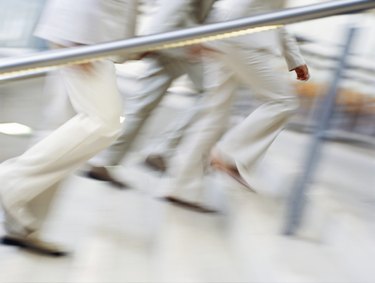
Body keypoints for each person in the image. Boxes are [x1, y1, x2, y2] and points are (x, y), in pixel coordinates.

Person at [0, 0, 138, 256]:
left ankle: (23, 225)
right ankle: (9, 181)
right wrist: (79, 37)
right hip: (84, 34)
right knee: (104, 122)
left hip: (82, 31)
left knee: (60, 130)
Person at [162, 0, 310, 212]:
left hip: (225, 38)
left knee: (213, 115)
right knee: (284, 101)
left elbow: (274, 13)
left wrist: (294, 57)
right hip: (241, 41)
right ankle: (229, 154)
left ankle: (181, 187)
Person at [86, 0, 217, 188]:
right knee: (211, 94)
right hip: (180, 38)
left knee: (142, 106)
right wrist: (183, 38)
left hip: (172, 36)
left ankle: (104, 160)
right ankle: (162, 150)